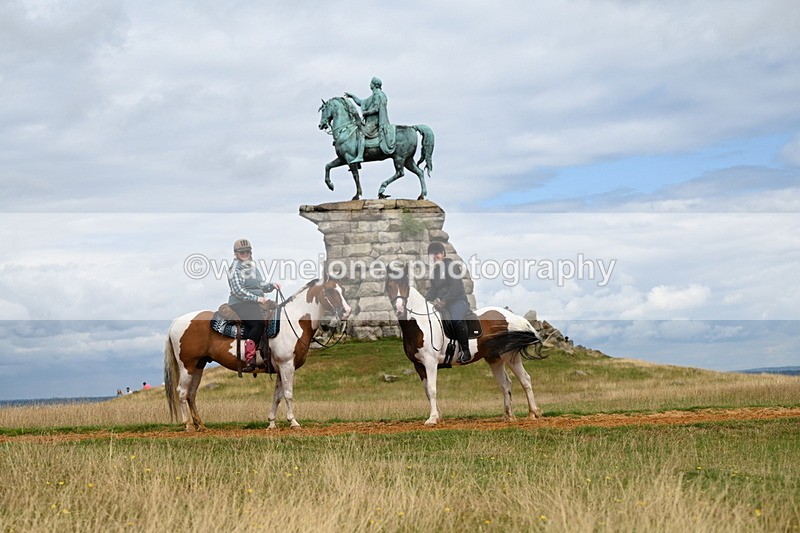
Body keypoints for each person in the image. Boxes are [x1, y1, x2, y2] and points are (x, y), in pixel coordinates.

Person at [227, 238, 281, 372]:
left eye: (247, 251)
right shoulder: (234, 269)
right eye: (242, 252)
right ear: (236, 254)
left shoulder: (252, 267)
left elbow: (259, 284)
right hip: (240, 303)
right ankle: (250, 358)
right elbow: (238, 290)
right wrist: (257, 299)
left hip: (255, 302)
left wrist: (271, 285)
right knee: (258, 323)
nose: (245, 253)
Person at [425, 242, 471, 364]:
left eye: (437, 254)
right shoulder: (435, 272)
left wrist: (444, 302)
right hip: (443, 304)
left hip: (458, 301)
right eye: (432, 255)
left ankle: (466, 351)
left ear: (443, 254)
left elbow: (455, 288)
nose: (435, 257)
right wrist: (423, 302)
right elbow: (433, 290)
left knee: (456, 320)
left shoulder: (452, 266)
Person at [344, 76, 396, 162]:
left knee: (360, 133)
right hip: (371, 121)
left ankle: (360, 156)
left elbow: (376, 108)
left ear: (374, 85)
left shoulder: (377, 95)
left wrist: (366, 113)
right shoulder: (375, 95)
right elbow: (361, 102)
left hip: (374, 122)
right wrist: (353, 96)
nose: (370, 85)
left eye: (371, 83)